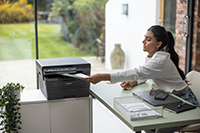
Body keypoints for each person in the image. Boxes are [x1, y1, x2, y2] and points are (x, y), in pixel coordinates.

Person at [82, 25, 199, 133]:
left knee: (158, 131)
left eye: (148, 39)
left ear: (158, 44)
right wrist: (135, 81)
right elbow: (146, 74)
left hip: (185, 103)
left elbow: (138, 72)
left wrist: (103, 77)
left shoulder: (160, 60)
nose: (143, 42)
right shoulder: (153, 56)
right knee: (146, 123)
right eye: (145, 38)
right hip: (169, 99)